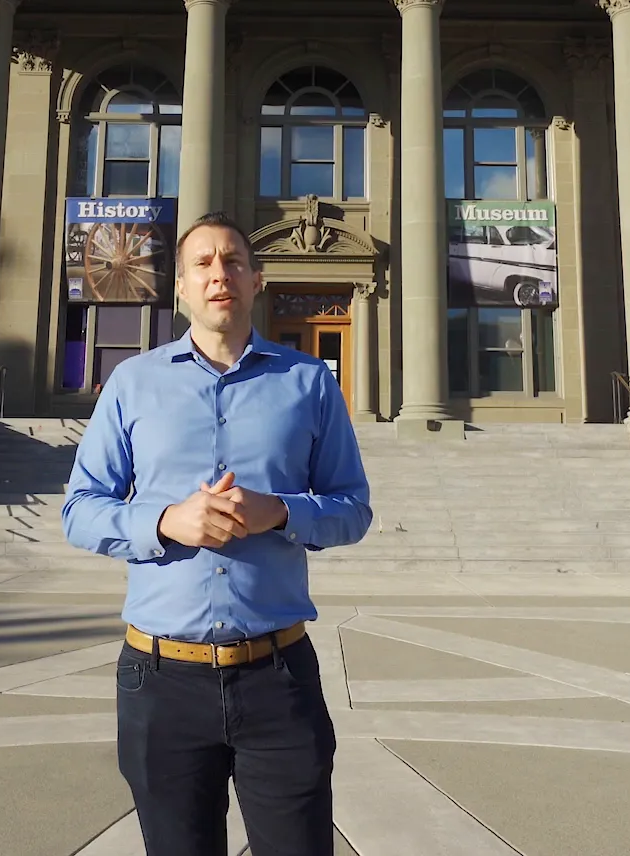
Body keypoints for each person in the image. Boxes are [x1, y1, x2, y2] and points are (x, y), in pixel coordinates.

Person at [63, 210, 372, 856]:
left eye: (232, 261)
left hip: (278, 678)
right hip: (160, 681)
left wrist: (282, 512)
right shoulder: (132, 384)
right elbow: (80, 510)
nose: (218, 274)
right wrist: (163, 521)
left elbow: (352, 508)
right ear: (178, 287)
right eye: (202, 263)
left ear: (257, 280)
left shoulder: (308, 382)